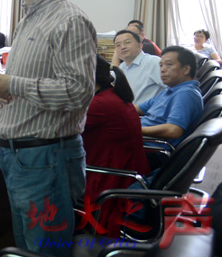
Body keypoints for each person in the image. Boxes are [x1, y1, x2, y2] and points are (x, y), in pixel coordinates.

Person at [0, 0, 97, 257]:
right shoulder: (30, 18)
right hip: (19, 155)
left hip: (45, 157)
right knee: (27, 246)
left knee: (44, 251)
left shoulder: (69, 20)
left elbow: (78, 91)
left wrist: (14, 85)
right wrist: (6, 92)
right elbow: (34, 81)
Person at [82, 55, 150, 237]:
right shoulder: (111, 95)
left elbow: (59, 128)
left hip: (109, 179)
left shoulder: (100, 104)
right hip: (124, 173)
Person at [136, 46, 204, 154]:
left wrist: (134, 130)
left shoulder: (185, 94)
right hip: (141, 141)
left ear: (186, 69)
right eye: (161, 65)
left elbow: (174, 130)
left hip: (150, 148)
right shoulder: (171, 90)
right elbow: (139, 109)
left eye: (169, 64)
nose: (162, 70)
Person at [113, 29, 165, 105]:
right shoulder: (122, 67)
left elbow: (173, 89)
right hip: (129, 111)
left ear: (140, 46)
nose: (123, 47)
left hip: (150, 111)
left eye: (127, 42)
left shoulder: (153, 62)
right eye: (118, 45)